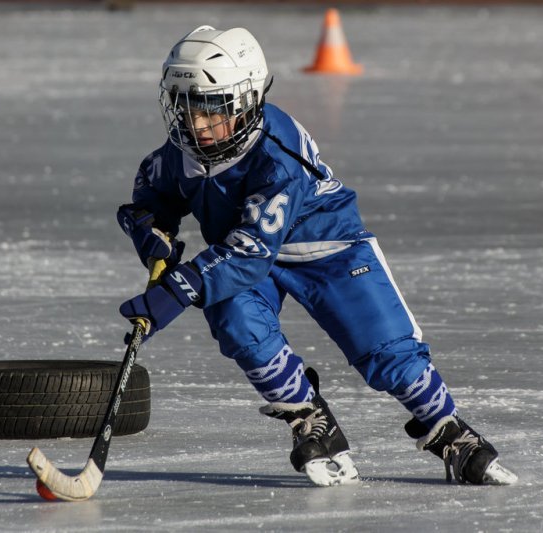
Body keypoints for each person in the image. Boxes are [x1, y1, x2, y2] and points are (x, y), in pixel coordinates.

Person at [116, 25, 516, 487]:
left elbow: (251, 249)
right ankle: (308, 416)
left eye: (212, 109)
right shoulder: (183, 150)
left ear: (246, 101)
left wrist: (178, 289)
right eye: (186, 106)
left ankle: (448, 429)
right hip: (248, 253)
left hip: (328, 249)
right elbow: (152, 192)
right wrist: (151, 227)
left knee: (386, 352)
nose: (197, 124)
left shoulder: (276, 154)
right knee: (234, 317)